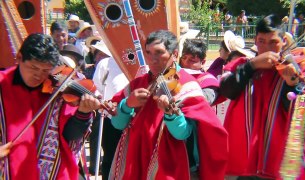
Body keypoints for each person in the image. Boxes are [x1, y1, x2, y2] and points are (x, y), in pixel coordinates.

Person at [108, 30, 228, 179]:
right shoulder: (138, 83)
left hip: (172, 167)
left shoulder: (187, 85)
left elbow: (182, 133)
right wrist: (127, 105)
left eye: (159, 52)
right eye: (149, 53)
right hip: (137, 159)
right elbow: (117, 124)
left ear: (175, 54)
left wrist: (171, 115)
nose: (152, 59)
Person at [220, 14, 305, 179]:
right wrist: (252, 66)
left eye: (273, 42)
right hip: (246, 159)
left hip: (280, 160)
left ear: (283, 42)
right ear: (255, 40)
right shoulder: (242, 64)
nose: (267, 48)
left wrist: (292, 84)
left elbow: (302, 112)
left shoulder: (299, 67)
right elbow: (227, 91)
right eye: (261, 41)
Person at [0, 33, 101, 179]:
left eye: (45, 70)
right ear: (19, 58)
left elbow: (71, 136)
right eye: (33, 67)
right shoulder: (2, 85)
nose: (39, 76)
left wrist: (83, 114)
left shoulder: (58, 91)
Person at [91, 41, 129, 179]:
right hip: (109, 118)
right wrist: (102, 102)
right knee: (110, 157)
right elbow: (96, 89)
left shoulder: (142, 63)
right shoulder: (105, 64)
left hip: (135, 119)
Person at [179, 38, 219, 105]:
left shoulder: (208, 81)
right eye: (183, 58)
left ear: (203, 62)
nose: (185, 63)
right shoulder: (175, 74)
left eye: (192, 60)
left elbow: (204, 100)